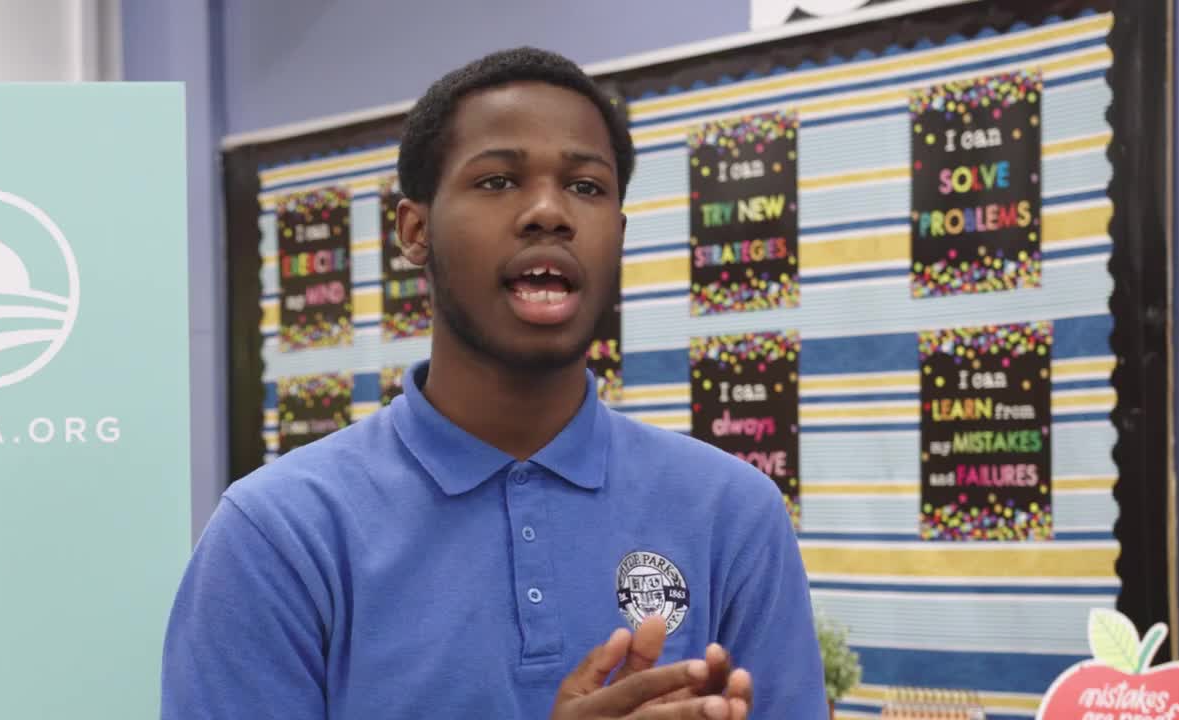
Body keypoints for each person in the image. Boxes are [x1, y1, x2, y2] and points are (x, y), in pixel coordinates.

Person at [161, 47, 829, 719]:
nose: (549, 212)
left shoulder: (731, 513)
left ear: (618, 237)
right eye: (498, 181)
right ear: (415, 230)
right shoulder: (280, 533)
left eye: (587, 187)